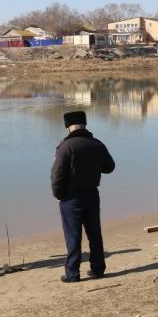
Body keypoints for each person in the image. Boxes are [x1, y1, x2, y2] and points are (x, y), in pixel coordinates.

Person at [51, 111, 116, 283]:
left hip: (70, 198)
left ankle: (72, 273)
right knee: (95, 234)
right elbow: (109, 167)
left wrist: (58, 195)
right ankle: (98, 269)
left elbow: (57, 176)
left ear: (68, 126)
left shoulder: (65, 147)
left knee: (73, 236)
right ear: (85, 124)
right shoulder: (96, 144)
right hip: (92, 194)